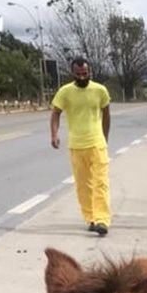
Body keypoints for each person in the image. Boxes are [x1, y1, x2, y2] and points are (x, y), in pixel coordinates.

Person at [50, 57, 111, 236]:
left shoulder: (100, 90)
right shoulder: (65, 92)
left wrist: (104, 137)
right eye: (78, 74)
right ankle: (90, 217)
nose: (82, 77)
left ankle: (102, 220)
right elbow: (55, 114)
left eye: (85, 73)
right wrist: (54, 134)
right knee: (83, 185)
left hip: (97, 144)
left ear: (89, 72)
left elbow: (106, 114)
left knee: (101, 183)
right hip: (76, 145)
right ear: (73, 73)